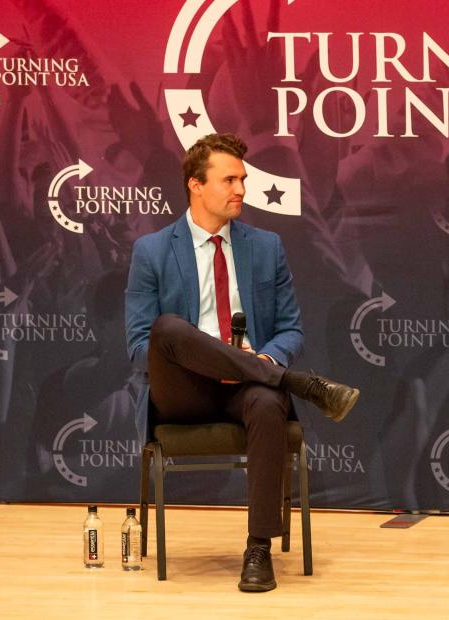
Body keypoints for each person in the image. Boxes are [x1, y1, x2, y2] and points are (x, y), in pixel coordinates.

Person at [125, 133, 359, 592]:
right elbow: (139, 346)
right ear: (196, 184)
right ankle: (296, 382)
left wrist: (262, 359)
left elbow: (290, 328)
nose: (241, 190)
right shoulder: (152, 251)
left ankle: (258, 547)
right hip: (183, 391)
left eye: (243, 179)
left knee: (269, 404)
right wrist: (209, 360)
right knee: (168, 328)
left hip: (247, 386)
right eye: (229, 179)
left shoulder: (265, 247)